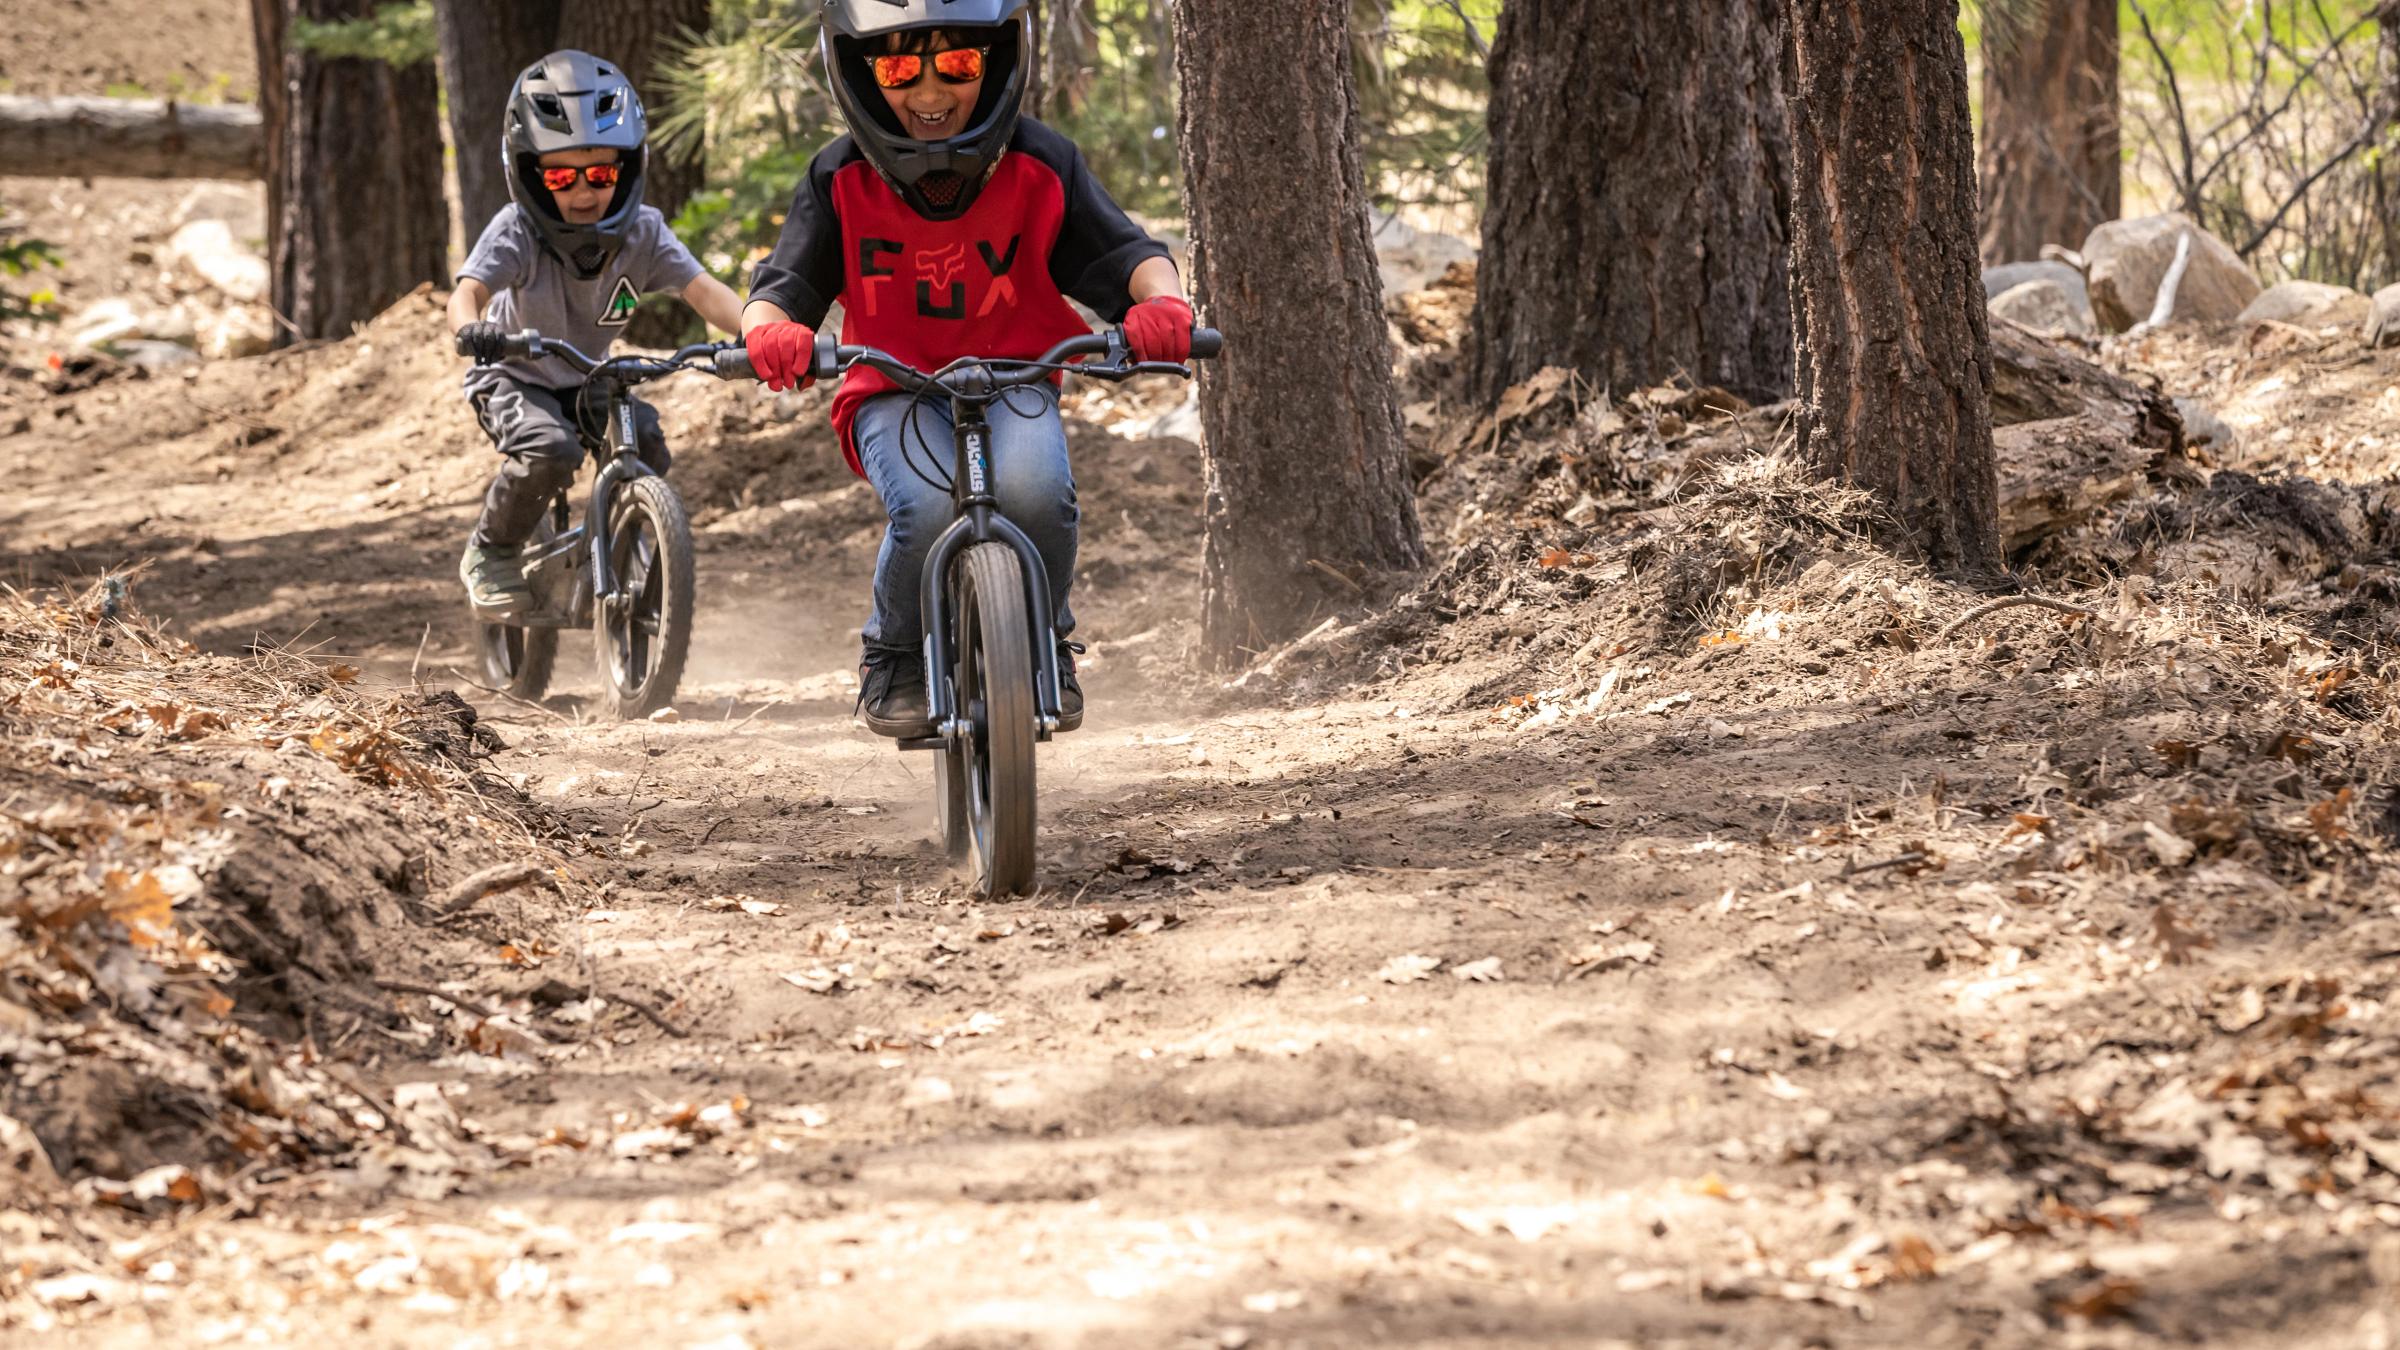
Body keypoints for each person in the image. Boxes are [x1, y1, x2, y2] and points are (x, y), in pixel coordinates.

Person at [739, 0, 1196, 738]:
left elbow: (1128, 255)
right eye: (897, 67)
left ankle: (1046, 640)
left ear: (998, 62)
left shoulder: (1042, 162)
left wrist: (1164, 307)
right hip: (892, 387)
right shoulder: (839, 176)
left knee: (1038, 494)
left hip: (1015, 379)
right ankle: (892, 655)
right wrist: (769, 335)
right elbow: (781, 289)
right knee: (922, 511)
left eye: (957, 64)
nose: (928, 93)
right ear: (858, 71)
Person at [450, 49, 746, 615]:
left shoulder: (643, 233)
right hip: (514, 373)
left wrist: (758, 334)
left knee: (648, 444)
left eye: (601, 173)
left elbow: (705, 291)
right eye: (561, 175)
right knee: (549, 450)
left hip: (590, 375)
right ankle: (491, 549)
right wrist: (472, 331)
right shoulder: (517, 231)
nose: (583, 190)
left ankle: (621, 543)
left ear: (628, 168)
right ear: (531, 172)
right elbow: (468, 292)